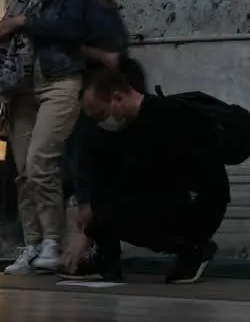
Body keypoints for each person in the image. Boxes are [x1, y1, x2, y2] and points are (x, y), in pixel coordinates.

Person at [63, 62, 229, 284]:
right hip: (171, 195)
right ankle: (106, 258)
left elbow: (138, 180)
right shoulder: (129, 124)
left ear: (118, 97)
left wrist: (88, 232)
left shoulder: (163, 116)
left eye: (101, 114)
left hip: (198, 203)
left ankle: (194, 247)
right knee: (104, 200)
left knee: (112, 210)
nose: (100, 122)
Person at [0, 0, 90, 274]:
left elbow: (71, 29)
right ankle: (33, 244)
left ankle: (53, 239)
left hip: (58, 80)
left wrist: (20, 23)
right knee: (22, 173)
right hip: (20, 88)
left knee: (40, 162)